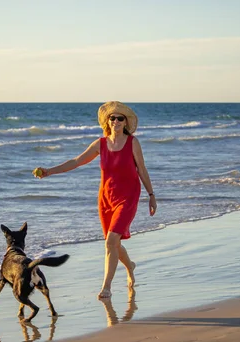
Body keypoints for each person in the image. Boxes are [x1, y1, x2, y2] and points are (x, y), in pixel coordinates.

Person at [34, 101, 156, 299]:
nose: (115, 121)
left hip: (128, 196)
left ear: (125, 122)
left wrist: (151, 195)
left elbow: (141, 169)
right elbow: (76, 161)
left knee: (111, 241)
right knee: (113, 243)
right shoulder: (100, 144)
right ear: (107, 122)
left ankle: (106, 287)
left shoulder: (133, 143)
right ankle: (130, 266)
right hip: (106, 198)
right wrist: (49, 171)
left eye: (120, 118)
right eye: (112, 118)